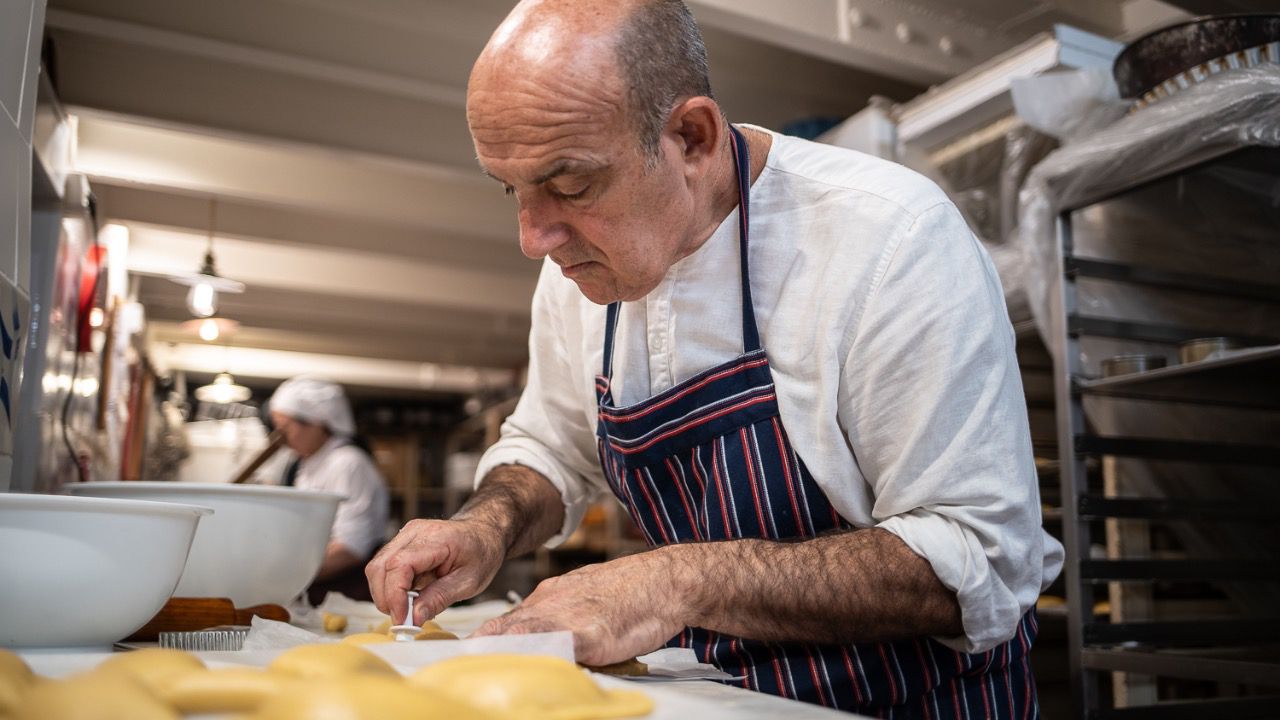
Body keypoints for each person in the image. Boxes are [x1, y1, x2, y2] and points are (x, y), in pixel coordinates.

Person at [367, 0, 1063, 715]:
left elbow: (979, 557)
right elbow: (552, 448)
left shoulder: (890, 239)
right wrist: (487, 525)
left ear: (693, 138)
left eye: (571, 185)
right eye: (512, 190)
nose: (533, 238)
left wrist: (677, 581)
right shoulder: (577, 269)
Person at [269, 376, 389, 604]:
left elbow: (352, 546)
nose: (281, 439)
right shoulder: (305, 463)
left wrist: (287, 577)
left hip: (346, 592)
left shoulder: (348, 463)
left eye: (285, 429)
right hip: (314, 585)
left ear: (317, 423)